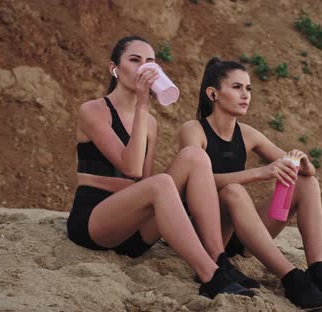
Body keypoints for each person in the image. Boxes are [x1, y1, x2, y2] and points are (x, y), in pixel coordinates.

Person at [66, 36, 255, 299]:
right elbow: (131, 168)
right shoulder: (93, 111)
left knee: (194, 156)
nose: (145, 68)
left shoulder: (150, 123)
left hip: (134, 232)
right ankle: (210, 277)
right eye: (135, 60)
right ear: (115, 69)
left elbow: (142, 180)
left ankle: (218, 258)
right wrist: (143, 104)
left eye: (151, 62)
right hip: (95, 222)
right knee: (162, 183)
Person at [180, 57, 322, 308]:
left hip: (242, 233)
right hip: (205, 233)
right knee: (233, 191)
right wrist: (261, 172)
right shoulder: (193, 130)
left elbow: (307, 173)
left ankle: (317, 268)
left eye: (248, 89)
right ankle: (291, 278)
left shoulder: (249, 134)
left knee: (307, 185)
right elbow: (195, 182)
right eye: (237, 87)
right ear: (213, 94)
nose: (245, 95)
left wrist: (302, 162)